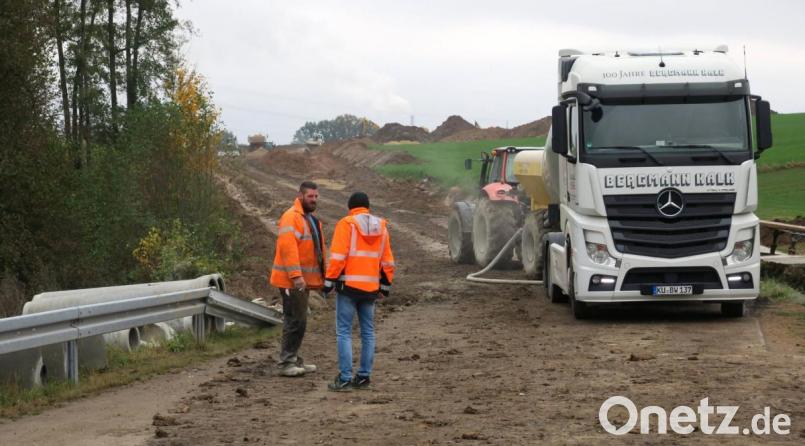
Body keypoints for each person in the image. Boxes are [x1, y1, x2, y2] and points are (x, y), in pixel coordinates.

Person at [322, 192, 395, 391]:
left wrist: (329, 282)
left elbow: (338, 257)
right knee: (368, 333)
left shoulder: (347, 224)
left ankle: (345, 378)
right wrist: (385, 287)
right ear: (367, 206)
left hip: (348, 288)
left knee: (344, 332)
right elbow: (387, 261)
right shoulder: (381, 226)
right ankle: (364, 377)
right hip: (371, 289)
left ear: (350, 207)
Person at [269, 181, 326, 377]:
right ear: (300, 195)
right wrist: (296, 276)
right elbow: (288, 249)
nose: (314, 200)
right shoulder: (291, 218)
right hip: (291, 281)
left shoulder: (308, 219)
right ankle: (286, 363)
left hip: (301, 281)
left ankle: (293, 359)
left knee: (299, 321)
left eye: (316, 196)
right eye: (310, 196)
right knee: (295, 321)